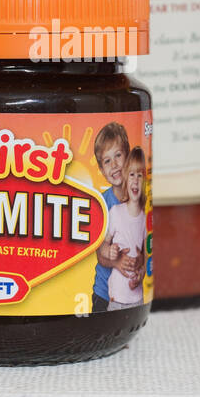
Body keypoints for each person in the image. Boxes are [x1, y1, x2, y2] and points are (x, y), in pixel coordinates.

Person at [91, 121, 144, 313]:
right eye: (107, 161)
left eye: (118, 156)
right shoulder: (104, 204)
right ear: (102, 170)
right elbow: (99, 252)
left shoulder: (139, 198)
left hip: (132, 293)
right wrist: (114, 260)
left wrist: (140, 264)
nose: (114, 165)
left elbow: (145, 244)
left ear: (128, 155)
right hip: (104, 294)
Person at [106, 147, 148, 309]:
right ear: (125, 177)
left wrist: (141, 273)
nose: (136, 180)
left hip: (137, 298)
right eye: (132, 175)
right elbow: (104, 244)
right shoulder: (116, 212)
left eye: (140, 175)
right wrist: (111, 253)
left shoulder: (146, 217)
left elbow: (146, 256)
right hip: (117, 295)